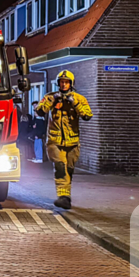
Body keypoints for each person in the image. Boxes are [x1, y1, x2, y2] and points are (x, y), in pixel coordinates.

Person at [35, 70, 93, 210]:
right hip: (55, 140)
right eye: (62, 82)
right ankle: (63, 196)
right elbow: (40, 111)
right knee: (60, 166)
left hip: (72, 141)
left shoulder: (79, 98)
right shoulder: (49, 97)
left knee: (69, 168)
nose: (64, 84)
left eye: (67, 82)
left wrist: (75, 104)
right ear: (58, 83)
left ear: (71, 84)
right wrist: (52, 101)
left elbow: (87, 115)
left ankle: (66, 195)